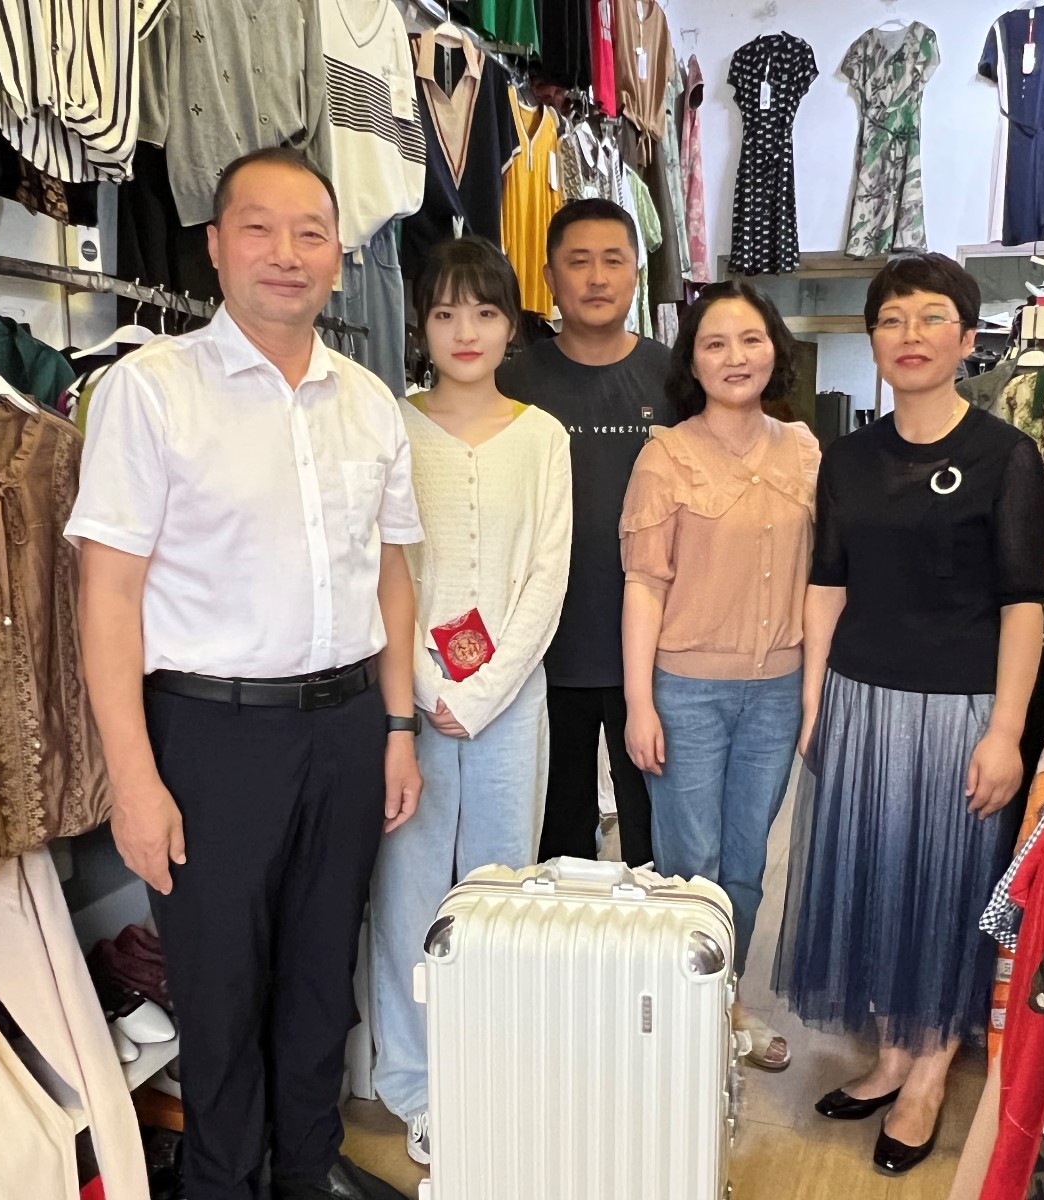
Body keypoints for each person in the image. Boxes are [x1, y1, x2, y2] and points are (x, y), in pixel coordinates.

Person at [69, 147, 423, 1200]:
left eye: (310, 232)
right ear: (216, 246)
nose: (286, 252)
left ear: (338, 256)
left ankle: (307, 1174)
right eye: (258, 228)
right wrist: (134, 780)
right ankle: (224, 1186)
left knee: (321, 980)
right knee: (221, 994)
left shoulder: (370, 401)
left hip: (347, 728)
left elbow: (391, 576)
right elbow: (107, 596)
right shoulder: (149, 391)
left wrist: (398, 727)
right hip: (208, 736)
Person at [774, 251, 1044, 1176]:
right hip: (859, 698)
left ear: (968, 340)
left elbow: (1023, 602)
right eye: (892, 320)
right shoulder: (848, 457)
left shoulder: (1005, 456)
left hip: (960, 709)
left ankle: (929, 1071)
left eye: (932, 318)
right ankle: (892, 1052)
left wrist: (1006, 731)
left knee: (946, 885)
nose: (910, 335)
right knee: (875, 875)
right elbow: (827, 582)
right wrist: (816, 700)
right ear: (873, 340)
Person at [368, 236, 572, 1167]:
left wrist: (484, 688)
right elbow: (384, 568)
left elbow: (547, 576)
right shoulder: (390, 424)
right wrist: (423, 686)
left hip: (510, 700)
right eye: (445, 312)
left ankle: (495, 1070)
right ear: (420, 323)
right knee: (407, 893)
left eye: (485, 311)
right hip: (406, 702)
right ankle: (413, 1084)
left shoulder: (543, 437)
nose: (465, 331)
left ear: (510, 324)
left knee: (503, 888)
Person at [618, 280, 817, 1073]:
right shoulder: (666, 455)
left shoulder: (803, 449)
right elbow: (644, 583)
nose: (736, 357)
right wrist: (640, 702)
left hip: (776, 692)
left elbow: (823, 582)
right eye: (715, 343)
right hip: (687, 694)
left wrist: (813, 693)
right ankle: (682, 1016)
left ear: (775, 349)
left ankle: (725, 1002)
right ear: (693, 362)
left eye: (751, 339)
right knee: (688, 865)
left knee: (746, 865)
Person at [497, 197, 678, 866]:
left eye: (613, 261)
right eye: (579, 262)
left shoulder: (674, 376)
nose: (597, 278)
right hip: (543, 651)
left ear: (636, 273)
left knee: (654, 847)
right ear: (549, 277)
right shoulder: (511, 381)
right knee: (554, 844)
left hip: (655, 653)